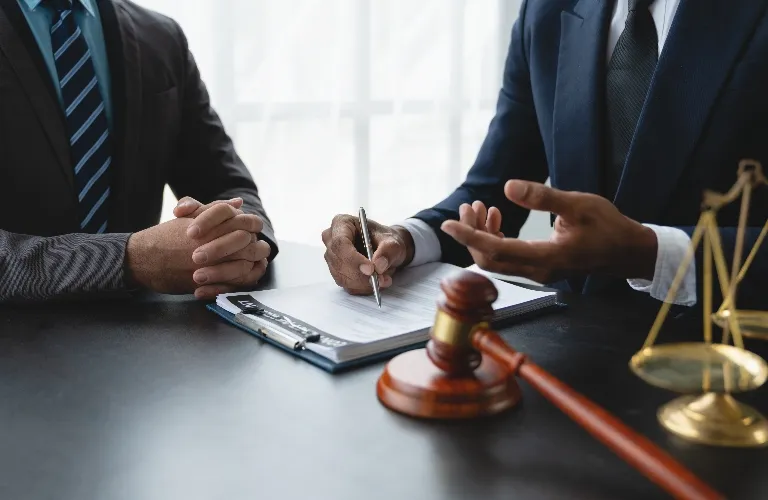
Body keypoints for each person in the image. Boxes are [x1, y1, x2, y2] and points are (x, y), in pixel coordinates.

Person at [322, 0, 768, 309]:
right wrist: (406, 239)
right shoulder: (546, 9)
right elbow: (496, 187)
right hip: (570, 360)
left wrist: (649, 253)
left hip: (730, 370)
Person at [0, 0, 277, 303]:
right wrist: (130, 259)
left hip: (147, 332)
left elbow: (226, 184)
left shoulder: (161, 36)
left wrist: (242, 242)